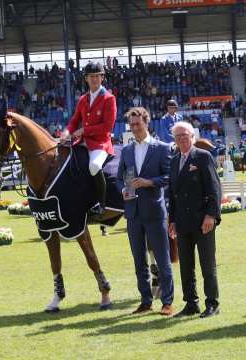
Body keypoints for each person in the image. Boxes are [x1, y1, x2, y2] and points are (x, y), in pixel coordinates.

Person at [117, 107, 175, 316]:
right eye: (131, 125)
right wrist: (123, 189)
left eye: (137, 124)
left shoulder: (162, 148)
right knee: (138, 260)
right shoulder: (126, 150)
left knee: (162, 258)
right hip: (133, 213)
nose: (134, 128)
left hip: (154, 212)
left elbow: (169, 177)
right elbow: (118, 178)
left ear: (146, 123)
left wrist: (149, 182)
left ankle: (167, 302)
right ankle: (145, 301)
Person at [168, 121, 222, 318]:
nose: (182, 139)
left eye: (185, 135)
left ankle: (212, 303)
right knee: (186, 266)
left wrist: (211, 215)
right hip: (182, 222)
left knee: (207, 264)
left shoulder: (202, 156)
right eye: (178, 136)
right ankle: (191, 303)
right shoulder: (174, 161)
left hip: (202, 220)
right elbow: (172, 194)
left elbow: (214, 188)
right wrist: (172, 221)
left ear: (192, 136)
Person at [61, 62, 117, 216]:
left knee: (93, 166)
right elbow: (74, 120)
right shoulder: (83, 99)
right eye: (91, 76)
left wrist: (84, 130)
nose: (94, 79)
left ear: (102, 78)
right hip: (82, 142)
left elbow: (107, 127)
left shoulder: (109, 98)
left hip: (100, 143)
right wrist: (66, 132)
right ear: (86, 79)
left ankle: (102, 204)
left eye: (97, 76)